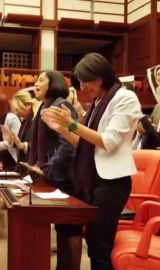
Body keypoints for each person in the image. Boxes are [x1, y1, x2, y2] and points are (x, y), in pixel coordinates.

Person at [41, 53, 142, 270]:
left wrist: (73, 124)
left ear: (101, 75)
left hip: (112, 181)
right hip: (93, 177)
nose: (83, 87)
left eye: (87, 81)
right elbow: (85, 145)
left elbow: (109, 141)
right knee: (93, 242)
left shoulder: (125, 98)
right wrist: (63, 129)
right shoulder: (98, 102)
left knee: (99, 246)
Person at [24, 71, 80, 270]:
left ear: (53, 83)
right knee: (62, 228)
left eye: (41, 80)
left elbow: (69, 144)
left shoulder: (61, 105)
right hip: (53, 175)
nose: (35, 83)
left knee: (70, 229)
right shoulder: (45, 106)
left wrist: (48, 167)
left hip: (66, 177)